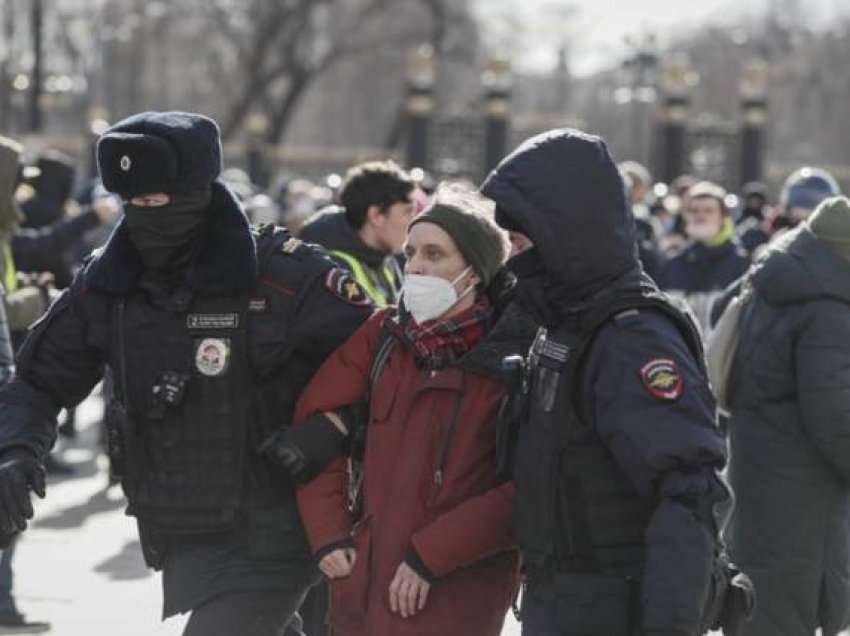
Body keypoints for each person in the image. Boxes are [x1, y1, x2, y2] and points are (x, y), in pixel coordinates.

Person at [0, 111, 374, 636]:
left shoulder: (289, 275)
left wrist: (331, 430)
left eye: (158, 202)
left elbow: (387, 367)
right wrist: (17, 453)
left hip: (279, 523)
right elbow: (40, 382)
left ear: (199, 191)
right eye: (133, 204)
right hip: (184, 527)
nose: (146, 217)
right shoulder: (109, 282)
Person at [480, 129, 730, 636]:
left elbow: (688, 492)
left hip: (615, 605)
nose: (513, 257)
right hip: (563, 600)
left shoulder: (632, 336)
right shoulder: (562, 319)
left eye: (521, 241)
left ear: (562, 233)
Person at [267, 185, 536, 635]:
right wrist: (329, 533)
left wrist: (432, 555)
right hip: (365, 584)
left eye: (435, 254)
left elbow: (528, 485)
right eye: (411, 253)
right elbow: (316, 428)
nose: (415, 267)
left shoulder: (513, 354)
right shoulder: (383, 334)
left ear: (474, 269)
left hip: (458, 591)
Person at [719, 196, 850, 636]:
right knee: (787, 612)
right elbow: (835, 415)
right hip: (804, 499)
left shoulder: (771, 279)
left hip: (757, 475)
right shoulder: (830, 307)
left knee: (755, 605)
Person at [299, 160, 415, 307]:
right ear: (376, 215)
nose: (413, 221)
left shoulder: (385, 259)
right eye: (407, 211)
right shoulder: (331, 269)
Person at [660, 181, 751, 332]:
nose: (700, 216)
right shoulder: (673, 263)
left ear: (723, 217)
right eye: (694, 211)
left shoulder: (741, 264)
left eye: (708, 210)